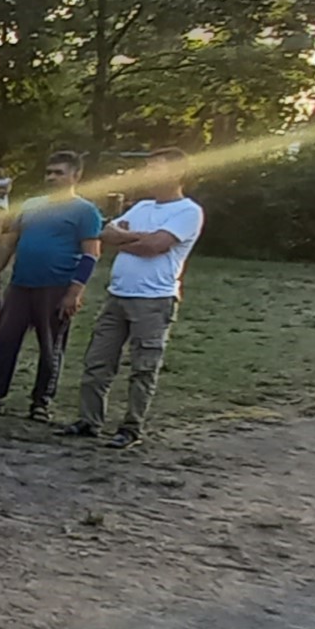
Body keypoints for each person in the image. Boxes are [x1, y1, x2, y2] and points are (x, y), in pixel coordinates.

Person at [65, 149, 204, 450]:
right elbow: (106, 234)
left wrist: (130, 239)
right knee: (97, 361)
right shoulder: (141, 206)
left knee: (143, 367)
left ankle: (131, 427)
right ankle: (89, 420)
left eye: (155, 168)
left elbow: (155, 246)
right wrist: (139, 239)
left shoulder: (188, 211)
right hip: (118, 295)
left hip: (153, 300)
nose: (148, 173)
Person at [0, 152, 105, 421]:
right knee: (4, 340)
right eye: (49, 172)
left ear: (76, 175)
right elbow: (9, 243)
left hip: (56, 288)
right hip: (21, 285)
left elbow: (90, 254)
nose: (51, 177)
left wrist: (74, 292)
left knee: (50, 346)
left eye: (59, 172)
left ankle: (41, 402)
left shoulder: (85, 211)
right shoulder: (31, 205)